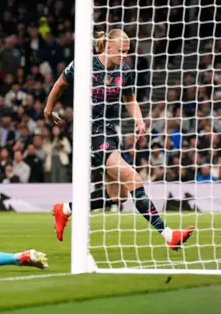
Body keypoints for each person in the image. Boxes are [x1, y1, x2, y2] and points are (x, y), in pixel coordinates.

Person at [44, 29, 194, 250]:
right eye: (120, 51)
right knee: (133, 178)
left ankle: (65, 209)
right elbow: (59, 85)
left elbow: (130, 99)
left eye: (127, 51)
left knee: (118, 196)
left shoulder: (125, 70)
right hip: (91, 133)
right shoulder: (85, 64)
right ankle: (169, 234)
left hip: (111, 132)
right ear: (107, 47)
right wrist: (48, 110)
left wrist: (140, 121)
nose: (124, 55)